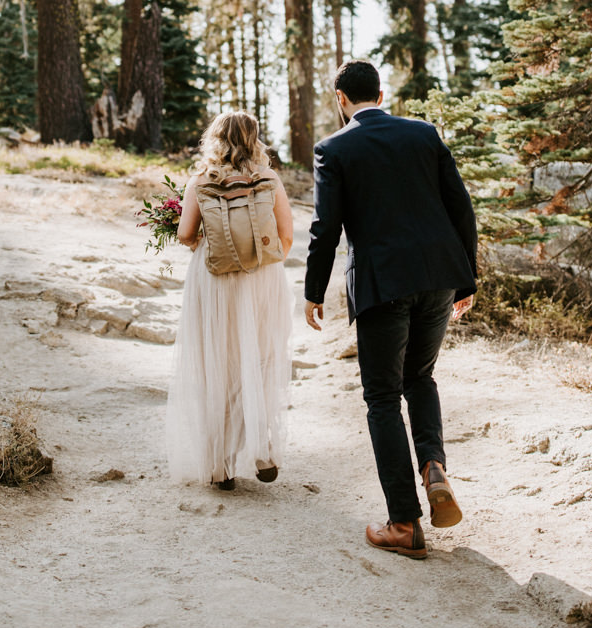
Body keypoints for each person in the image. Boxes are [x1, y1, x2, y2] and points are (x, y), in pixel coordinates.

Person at [304, 59, 477, 559]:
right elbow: (460, 206)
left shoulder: (333, 148)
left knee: (381, 398)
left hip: (383, 285)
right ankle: (433, 465)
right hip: (440, 276)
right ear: (380, 94)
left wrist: (314, 291)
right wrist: (466, 276)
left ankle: (404, 522)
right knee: (419, 378)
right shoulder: (424, 133)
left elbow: (326, 228)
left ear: (341, 99)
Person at [166, 111, 295, 490]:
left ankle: (221, 466)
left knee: (217, 365)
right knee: (261, 358)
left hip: (215, 282)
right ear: (255, 139)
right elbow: (286, 237)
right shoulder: (268, 178)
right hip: (261, 280)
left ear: (215, 139)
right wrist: (259, 259)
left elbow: (187, 234)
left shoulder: (201, 180)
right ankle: (263, 450)